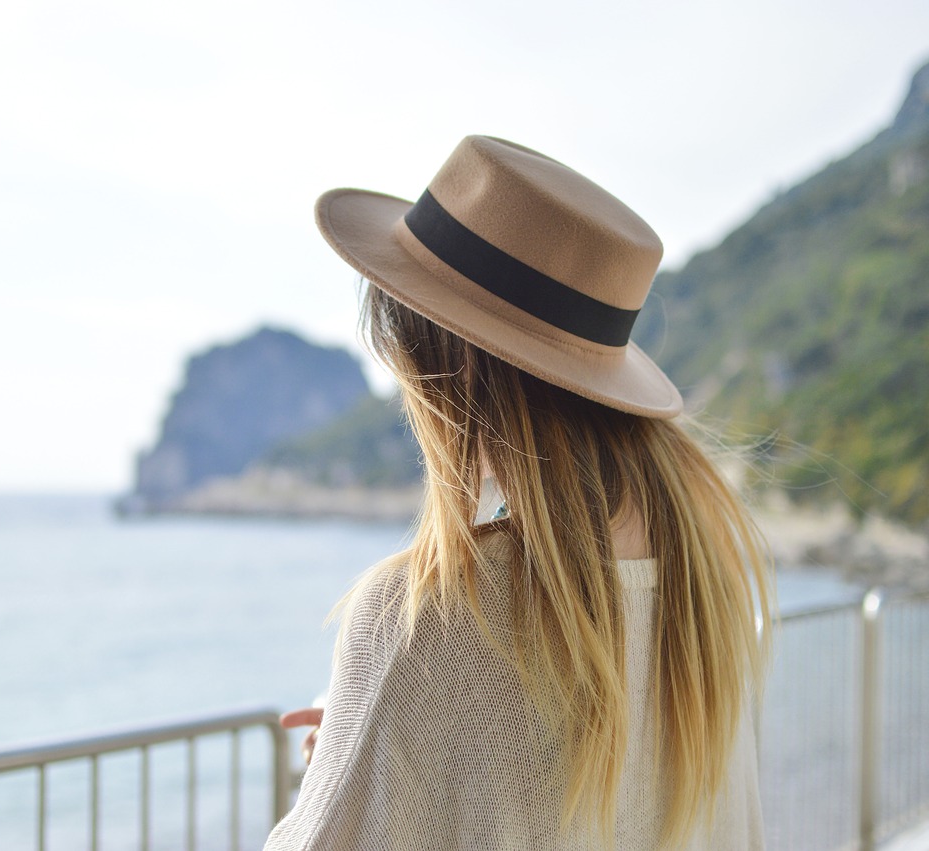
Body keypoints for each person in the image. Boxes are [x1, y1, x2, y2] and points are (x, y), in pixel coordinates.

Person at [263, 136, 773, 850]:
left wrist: (349, 758)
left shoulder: (422, 617)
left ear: (450, 368)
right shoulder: (709, 585)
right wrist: (373, 743)